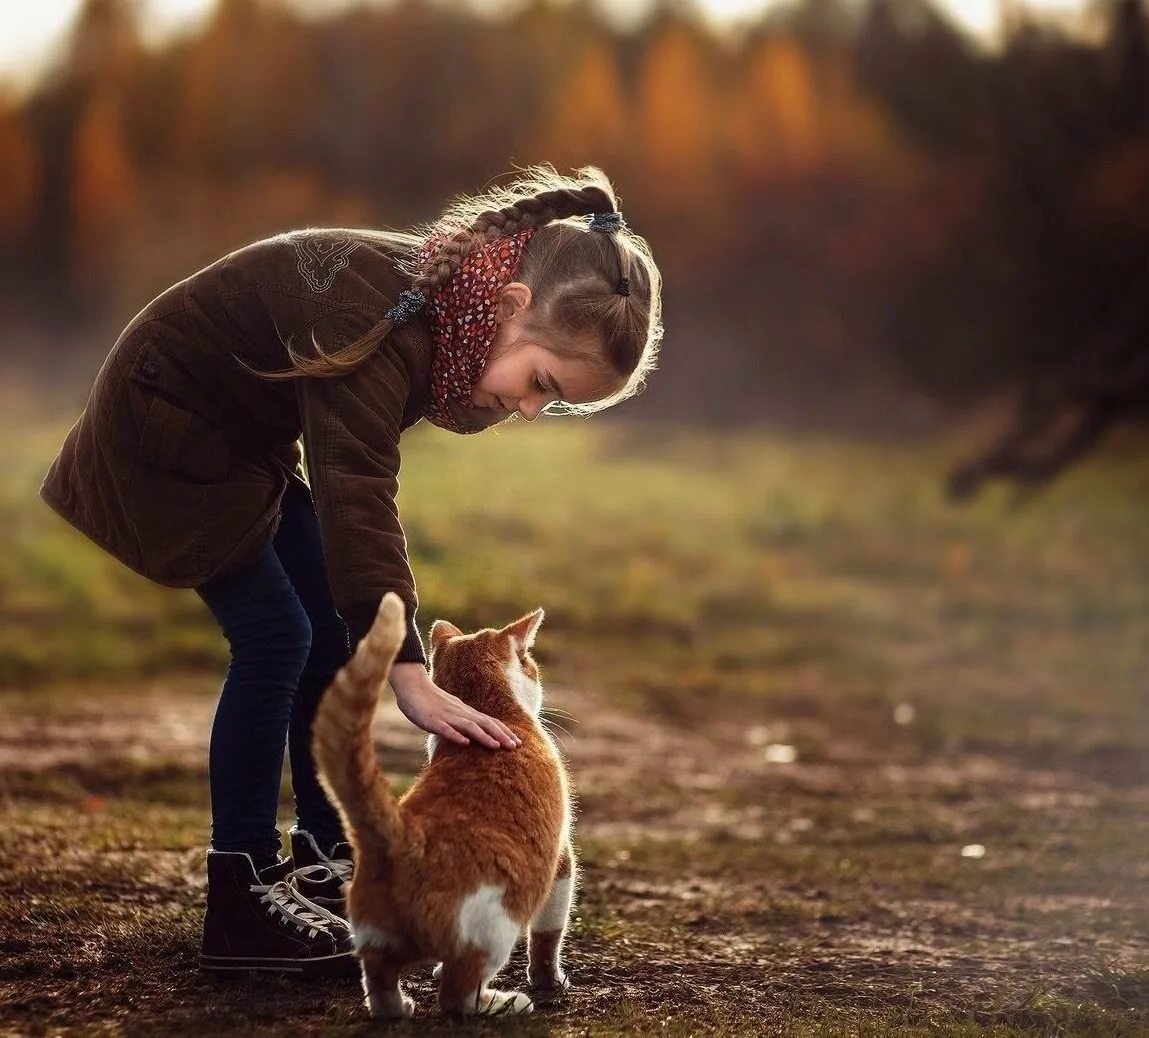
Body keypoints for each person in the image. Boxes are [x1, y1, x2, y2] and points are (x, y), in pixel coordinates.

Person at [39, 165, 663, 976]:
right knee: (275, 638)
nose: (532, 410)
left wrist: (382, 641)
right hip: (166, 431)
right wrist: (406, 669)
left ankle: (327, 862)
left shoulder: (439, 309)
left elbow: (354, 495)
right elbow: (355, 491)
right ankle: (241, 897)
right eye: (542, 383)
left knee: (332, 630)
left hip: (236, 444)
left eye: (558, 403)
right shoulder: (379, 317)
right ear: (509, 307)